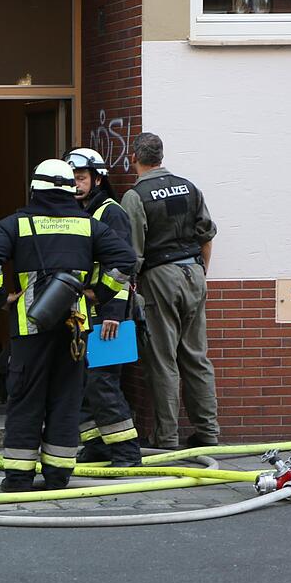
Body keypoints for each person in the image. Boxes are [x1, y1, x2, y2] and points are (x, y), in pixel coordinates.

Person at [0, 159, 135, 491]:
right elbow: (125, 260)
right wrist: (100, 293)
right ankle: (58, 475)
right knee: (66, 400)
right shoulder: (88, 225)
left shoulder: (16, 224)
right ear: (68, 190)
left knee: (26, 399)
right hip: (74, 330)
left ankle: (18, 477)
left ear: (35, 189)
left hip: (30, 329)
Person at [121, 132, 220, 449]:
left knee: (163, 360)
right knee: (196, 357)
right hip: (194, 273)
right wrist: (201, 271)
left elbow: (132, 254)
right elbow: (206, 234)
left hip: (159, 277)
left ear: (133, 158)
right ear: (161, 157)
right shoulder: (190, 187)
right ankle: (208, 433)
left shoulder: (136, 196)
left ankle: (166, 438)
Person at [64, 148, 142, 467]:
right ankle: (97, 446)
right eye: (71, 180)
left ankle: (126, 452)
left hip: (110, 314)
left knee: (103, 383)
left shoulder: (111, 213)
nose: (75, 185)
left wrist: (113, 314)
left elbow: (123, 268)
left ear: (97, 179)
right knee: (83, 383)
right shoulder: (76, 212)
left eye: (80, 179)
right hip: (83, 313)